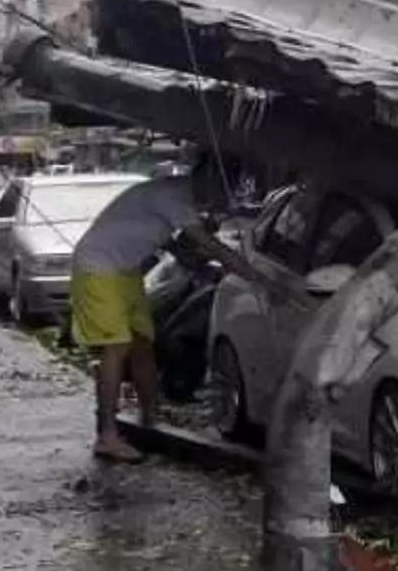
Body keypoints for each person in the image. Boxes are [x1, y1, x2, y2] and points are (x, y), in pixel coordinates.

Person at [70, 153, 289, 462]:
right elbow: (211, 247)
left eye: (223, 193)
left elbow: (177, 242)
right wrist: (258, 279)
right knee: (115, 347)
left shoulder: (182, 197)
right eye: (215, 191)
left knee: (143, 343)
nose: (217, 199)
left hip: (125, 269)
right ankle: (107, 435)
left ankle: (149, 416)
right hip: (97, 266)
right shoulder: (171, 196)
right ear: (201, 176)